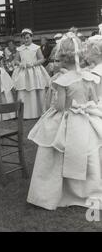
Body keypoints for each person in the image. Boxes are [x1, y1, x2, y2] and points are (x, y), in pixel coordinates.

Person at [27, 33, 102, 210]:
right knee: (90, 149)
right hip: (87, 117)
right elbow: (93, 100)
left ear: (61, 58)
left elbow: (60, 106)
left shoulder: (62, 81)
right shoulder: (90, 77)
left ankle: (59, 190)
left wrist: (53, 103)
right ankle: (88, 188)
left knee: (57, 150)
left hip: (68, 118)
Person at [12, 29, 50, 119]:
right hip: (23, 71)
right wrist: (20, 63)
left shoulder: (36, 48)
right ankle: (24, 114)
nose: (26, 40)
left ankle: (38, 112)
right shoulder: (20, 49)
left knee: (35, 89)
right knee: (23, 89)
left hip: (34, 71)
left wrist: (33, 64)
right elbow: (16, 60)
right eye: (24, 38)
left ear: (31, 37)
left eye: (27, 38)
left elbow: (41, 59)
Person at [86, 38, 102, 104]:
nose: (86, 55)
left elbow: (94, 97)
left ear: (96, 54)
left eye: (88, 51)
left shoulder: (95, 72)